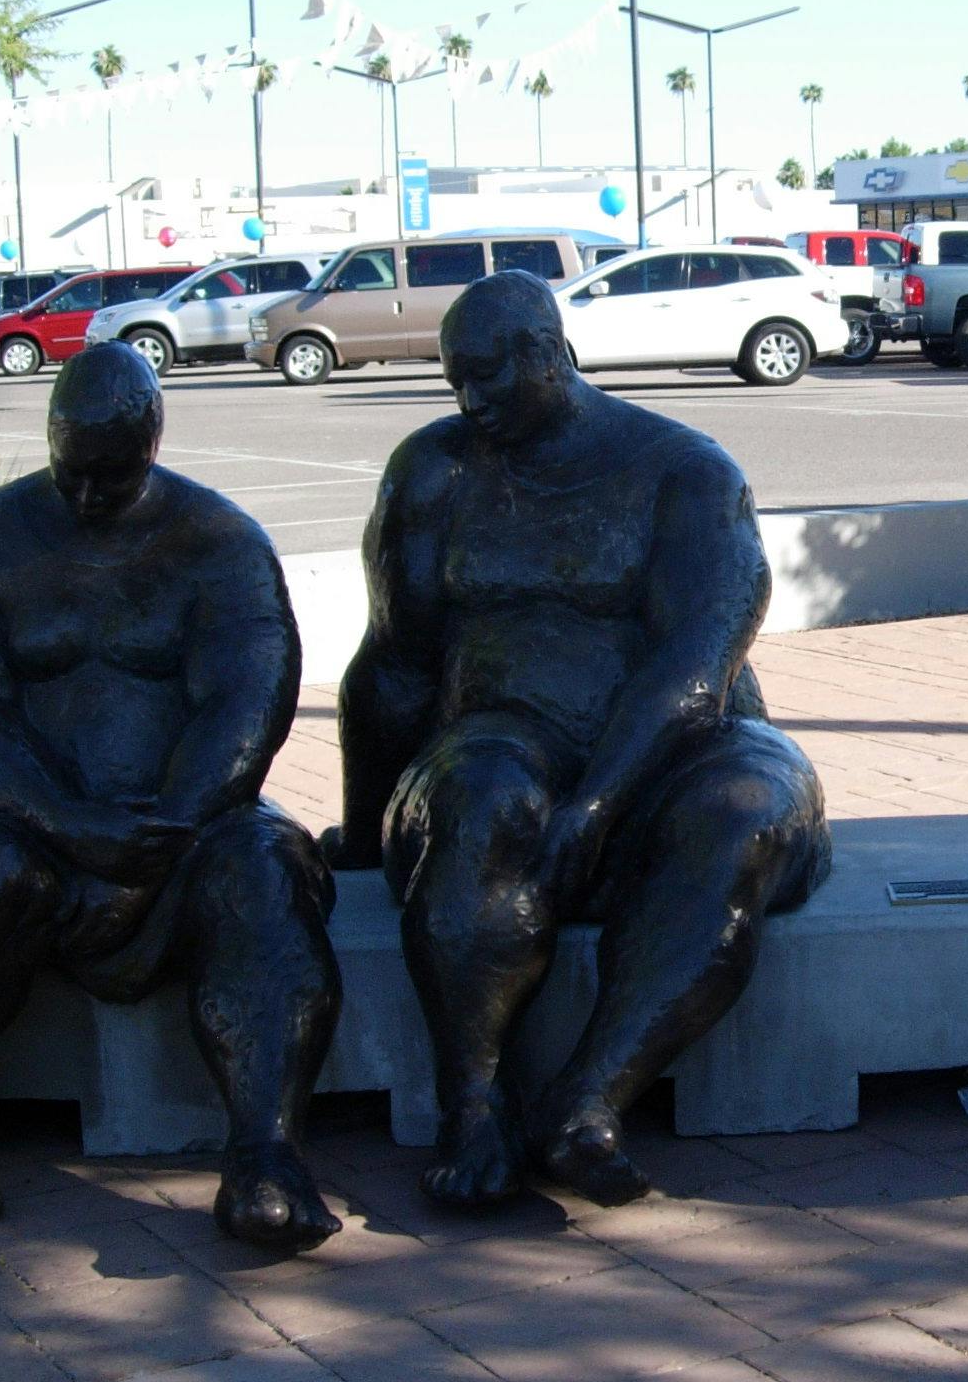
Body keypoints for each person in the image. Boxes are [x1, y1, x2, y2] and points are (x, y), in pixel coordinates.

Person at [325, 270, 829, 1210]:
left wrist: (597, 801)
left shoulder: (686, 472)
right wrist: (363, 838)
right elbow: (393, 666)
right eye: (455, 382)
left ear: (552, 353)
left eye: (490, 379)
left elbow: (695, 665)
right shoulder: (434, 472)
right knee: (478, 805)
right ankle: (472, 1107)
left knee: (746, 814)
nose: (472, 404)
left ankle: (587, 1103)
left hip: (684, 745)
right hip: (497, 737)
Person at [0, 343, 342, 1250]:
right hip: (9, 814)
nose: (87, 497)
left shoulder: (220, 544)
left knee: (266, 868)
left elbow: (249, 704)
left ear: (153, 445)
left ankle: (266, 1152)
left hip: (189, 820)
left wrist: (162, 834)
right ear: (50, 439)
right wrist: (69, 826)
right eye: (73, 472)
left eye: (111, 477)